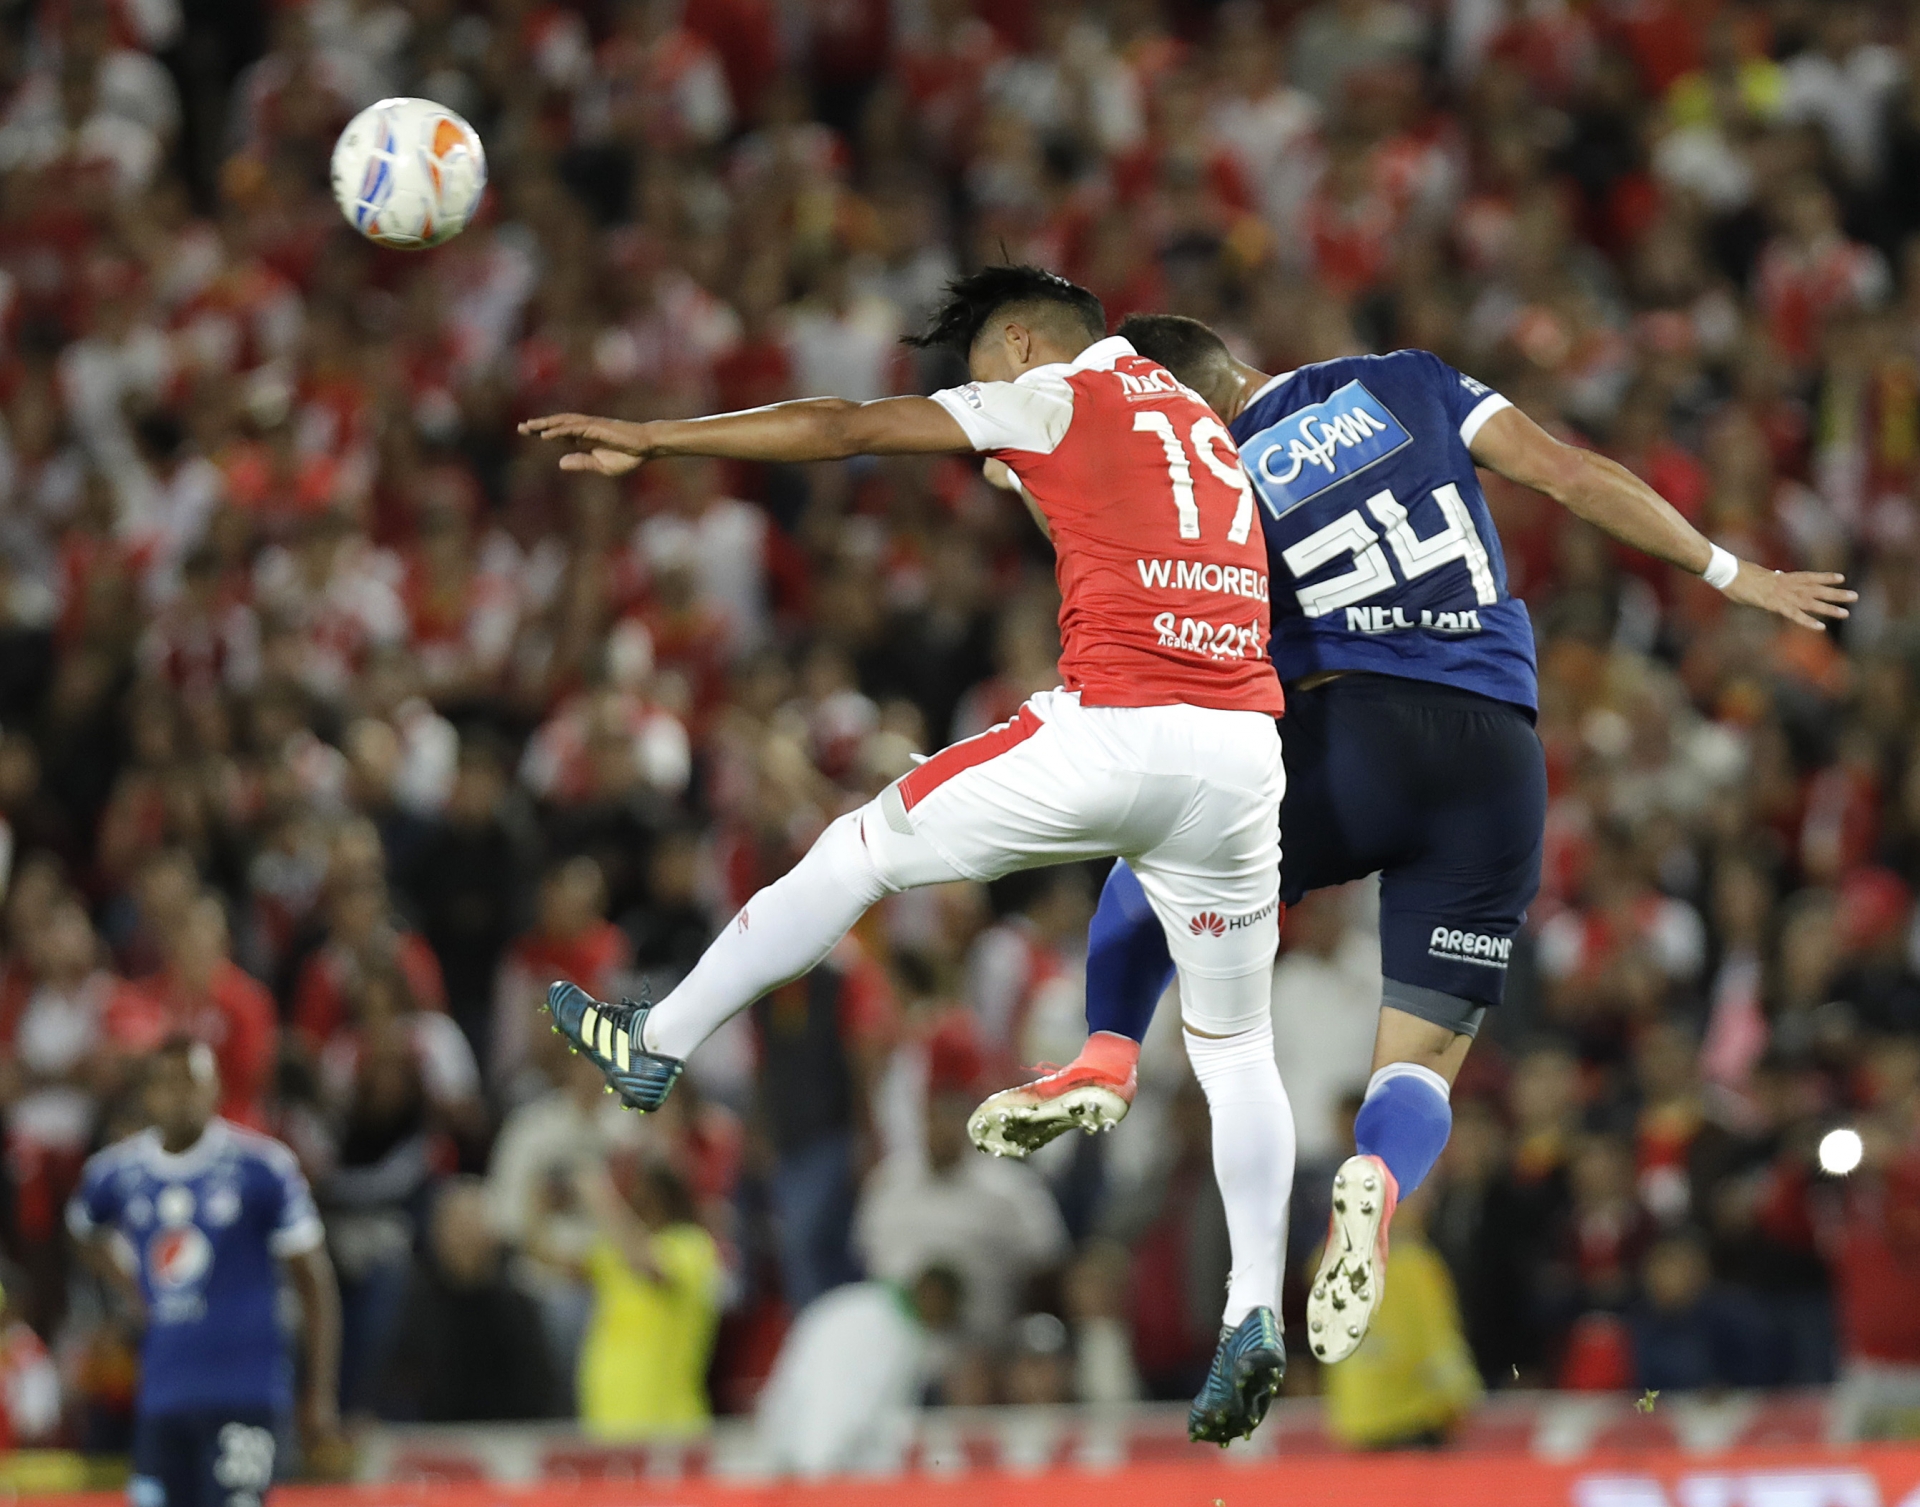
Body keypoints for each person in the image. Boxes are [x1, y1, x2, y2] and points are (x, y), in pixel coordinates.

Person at [968, 312, 1853, 1372]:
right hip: (1497, 754)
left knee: (1160, 855)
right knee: (1426, 1061)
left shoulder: (1201, 471)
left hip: (1353, 732)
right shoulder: (1411, 380)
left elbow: (1133, 592)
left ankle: (1106, 1056)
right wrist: (1729, 571)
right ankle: (1381, 1180)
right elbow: (1571, 474)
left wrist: (1036, 487)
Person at [522, 265, 1295, 1442]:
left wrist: (656, 438)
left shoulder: (1054, 391)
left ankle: (658, 1041)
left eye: (976, 376)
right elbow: (1123, 539)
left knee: (859, 847)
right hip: (1240, 754)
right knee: (1236, 1051)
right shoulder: (1197, 421)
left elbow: (840, 428)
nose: (974, 403)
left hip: (1117, 728)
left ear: (1023, 343)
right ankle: (1253, 1308)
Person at [67, 1037, 341, 1507]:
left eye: (192, 1082)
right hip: (164, 1396)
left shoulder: (262, 1168)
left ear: (215, 1088)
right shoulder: (116, 1173)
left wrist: (319, 1394)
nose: (181, 1096)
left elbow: (313, 1282)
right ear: (148, 1094)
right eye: (168, 1083)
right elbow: (82, 1229)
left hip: (245, 1392)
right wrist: (132, 1284)